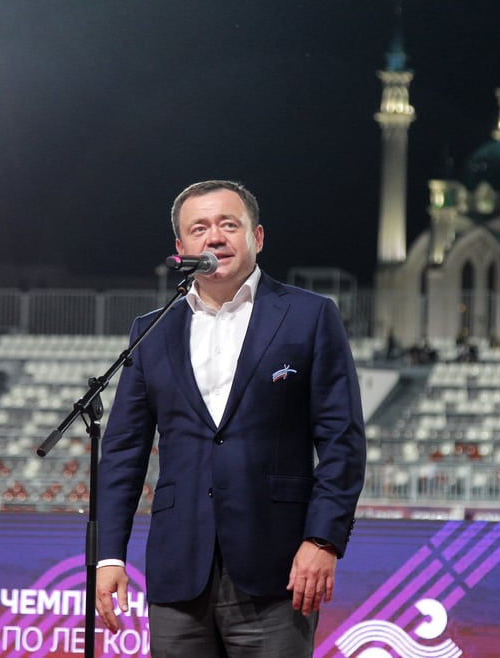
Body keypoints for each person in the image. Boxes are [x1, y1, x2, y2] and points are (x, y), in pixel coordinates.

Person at [94, 180, 366, 657]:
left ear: (257, 237)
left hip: (280, 571)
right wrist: (109, 555)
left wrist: (323, 539)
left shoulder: (310, 316)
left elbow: (342, 440)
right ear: (181, 249)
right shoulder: (152, 331)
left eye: (228, 225)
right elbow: (123, 453)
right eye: (198, 228)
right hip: (179, 571)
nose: (214, 237)